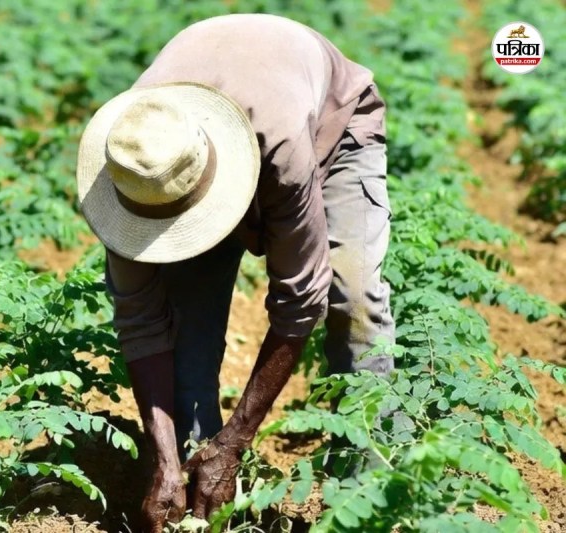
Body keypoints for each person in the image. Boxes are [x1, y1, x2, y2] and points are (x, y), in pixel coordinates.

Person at [76, 13, 394, 531]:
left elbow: (300, 300)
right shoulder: (133, 169)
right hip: (209, 138)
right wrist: (164, 460)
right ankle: (188, 479)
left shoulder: (284, 150)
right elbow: (142, 324)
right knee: (184, 326)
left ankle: (370, 489)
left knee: (351, 296)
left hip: (327, 125)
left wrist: (236, 440)